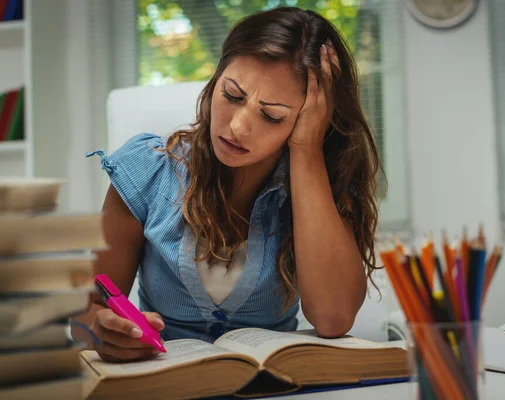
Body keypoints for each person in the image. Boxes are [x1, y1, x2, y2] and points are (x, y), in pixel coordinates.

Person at [73, 6, 384, 362]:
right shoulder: (146, 170)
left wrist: (307, 150)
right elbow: (88, 308)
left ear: (307, 121)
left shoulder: (320, 188)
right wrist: (99, 328)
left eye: (272, 116)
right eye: (232, 96)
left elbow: (334, 318)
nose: (237, 127)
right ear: (215, 80)